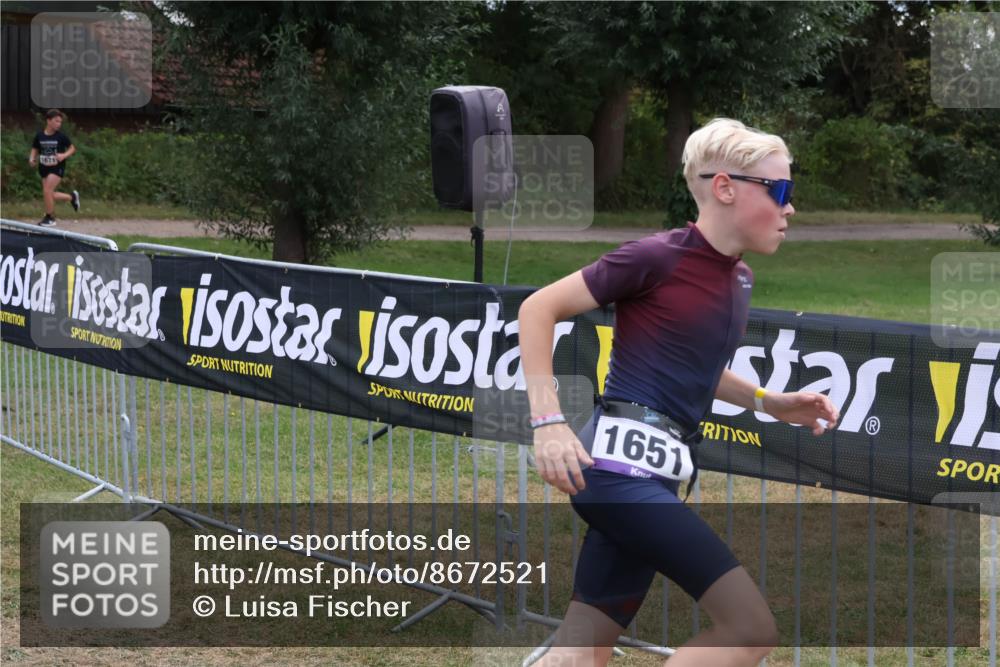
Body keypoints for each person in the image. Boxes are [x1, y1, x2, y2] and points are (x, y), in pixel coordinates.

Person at [518, 118, 840, 667]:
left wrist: (770, 402)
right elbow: (537, 309)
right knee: (750, 629)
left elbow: (696, 365)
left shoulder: (738, 279)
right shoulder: (656, 257)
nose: (791, 209)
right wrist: (548, 422)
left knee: (578, 654)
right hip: (619, 476)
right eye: (780, 191)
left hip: (658, 480)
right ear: (725, 187)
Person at [28, 109, 80, 227]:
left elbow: (72, 148)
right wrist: (31, 158)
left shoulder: (61, 136)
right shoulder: (40, 135)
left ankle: (50, 217)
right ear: (48, 121)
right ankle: (71, 197)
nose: (59, 124)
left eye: (60, 122)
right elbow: (35, 148)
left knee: (47, 190)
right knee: (48, 194)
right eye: (56, 121)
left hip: (57, 167)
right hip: (43, 167)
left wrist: (64, 155)